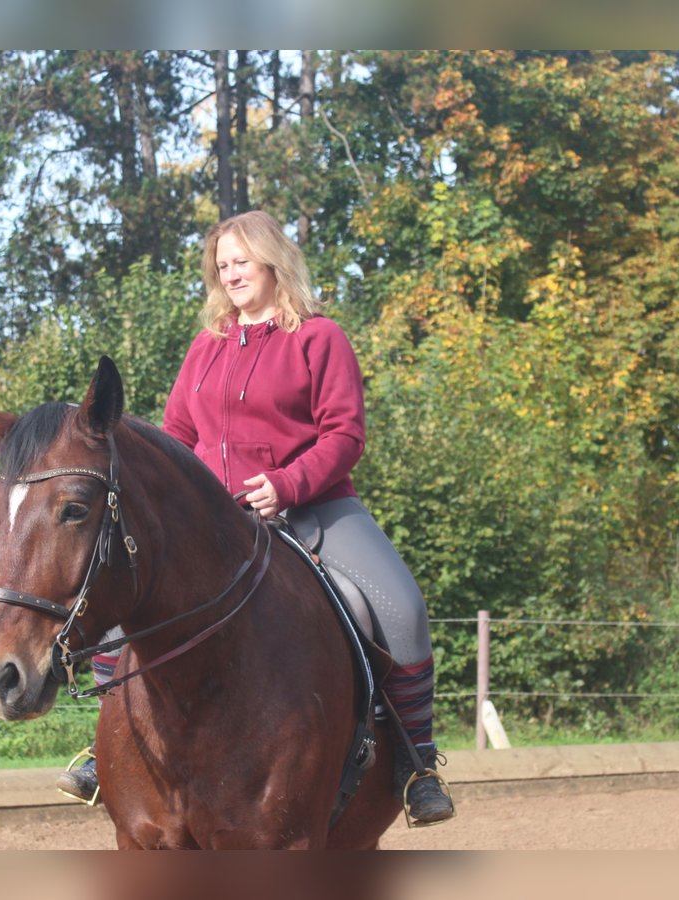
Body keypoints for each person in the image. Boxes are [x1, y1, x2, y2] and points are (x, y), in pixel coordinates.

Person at [56, 210, 454, 826]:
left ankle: (416, 763)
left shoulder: (320, 338)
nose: (231, 273)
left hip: (315, 506)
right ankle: (103, 748)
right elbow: (177, 436)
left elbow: (345, 433)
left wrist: (289, 483)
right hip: (212, 523)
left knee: (402, 607)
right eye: (222, 265)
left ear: (273, 262)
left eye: (241, 260)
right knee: (122, 604)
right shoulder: (206, 345)